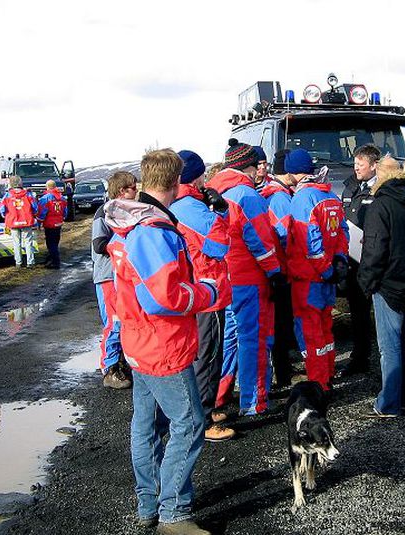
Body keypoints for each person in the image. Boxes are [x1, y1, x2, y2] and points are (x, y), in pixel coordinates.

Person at [104, 148, 218, 535]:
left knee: (147, 425)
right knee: (188, 424)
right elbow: (165, 297)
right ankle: (174, 513)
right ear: (177, 182)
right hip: (161, 345)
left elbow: (132, 292)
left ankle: (149, 503)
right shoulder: (153, 231)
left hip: (140, 341)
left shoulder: (129, 224)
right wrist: (207, 292)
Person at [209, 139, 284, 415]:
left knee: (229, 338)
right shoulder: (248, 196)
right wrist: (275, 273)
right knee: (253, 338)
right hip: (249, 277)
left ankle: (219, 394)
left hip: (223, 276)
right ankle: (253, 401)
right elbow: (262, 242)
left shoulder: (213, 192)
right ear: (248, 167)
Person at [357, 157, 405, 417]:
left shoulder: (380, 207)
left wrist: (366, 283)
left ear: (381, 178)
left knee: (389, 347)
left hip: (388, 287)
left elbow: (373, 250)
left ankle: (388, 403)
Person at [171, 150, 235, 443]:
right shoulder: (190, 207)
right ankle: (206, 418)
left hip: (195, 288)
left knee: (202, 352)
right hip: (207, 289)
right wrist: (220, 211)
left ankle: (204, 411)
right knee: (208, 355)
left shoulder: (180, 203)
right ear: (195, 176)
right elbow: (221, 244)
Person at [287, 149, 349, 392]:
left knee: (310, 332)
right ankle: (328, 373)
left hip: (309, 278)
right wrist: (339, 263)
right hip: (328, 276)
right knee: (325, 328)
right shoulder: (330, 196)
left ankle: (318, 382)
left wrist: (324, 270)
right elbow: (343, 232)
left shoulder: (303, 199)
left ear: (293, 173)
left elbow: (310, 242)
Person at [92, 171, 136, 389]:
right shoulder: (104, 213)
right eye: (132, 188)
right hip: (108, 275)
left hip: (123, 274)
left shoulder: (127, 211)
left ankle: (121, 362)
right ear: (121, 191)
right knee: (114, 322)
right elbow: (98, 244)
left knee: (126, 320)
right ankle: (109, 368)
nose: (136, 191)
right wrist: (122, 243)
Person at [340, 144, 381, 376]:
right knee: (358, 311)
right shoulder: (351, 187)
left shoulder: (380, 190)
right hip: (353, 260)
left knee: (376, 312)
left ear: (374, 166)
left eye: (361, 165)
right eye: (355, 164)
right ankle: (360, 357)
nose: (356, 168)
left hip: (372, 258)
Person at [261, 149, 297, 388]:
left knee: (277, 322)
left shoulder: (270, 194)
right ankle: (283, 373)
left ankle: (281, 369)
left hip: (272, 268)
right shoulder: (281, 198)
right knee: (282, 323)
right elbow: (286, 235)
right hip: (282, 268)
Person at [0, 175, 38, 268]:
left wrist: (5, 215)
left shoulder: (7, 195)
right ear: (21, 183)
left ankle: (18, 262)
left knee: (16, 243)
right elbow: (35, 207)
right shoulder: (28, 194)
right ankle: (30, 262)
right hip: (26, 221)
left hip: (13, 222)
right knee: (28, 242)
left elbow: (2, 207)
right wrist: (34, 214)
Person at [37, 179, 68, 269]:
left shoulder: (45, 198)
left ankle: (55, 262)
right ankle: (51, 258)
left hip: (49, 224)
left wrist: (39, 222)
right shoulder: (62, 198)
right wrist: (62, 218)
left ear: (47, 187)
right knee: (55, 242)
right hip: (58, 223)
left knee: (51, 244)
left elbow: (42, 212)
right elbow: (65, 212)